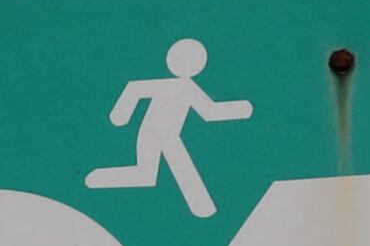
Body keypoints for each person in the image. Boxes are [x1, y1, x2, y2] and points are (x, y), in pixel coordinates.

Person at [88, 38, 253, 220]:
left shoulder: (187, 87)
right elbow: (134, 89)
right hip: (154, 134)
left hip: (163, 135)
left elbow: (209, 112)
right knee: (161, 168)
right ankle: (202, 207)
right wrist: (120, 115)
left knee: (146, 175)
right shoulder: (171, 85)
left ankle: (98, 177)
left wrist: (241, 109)